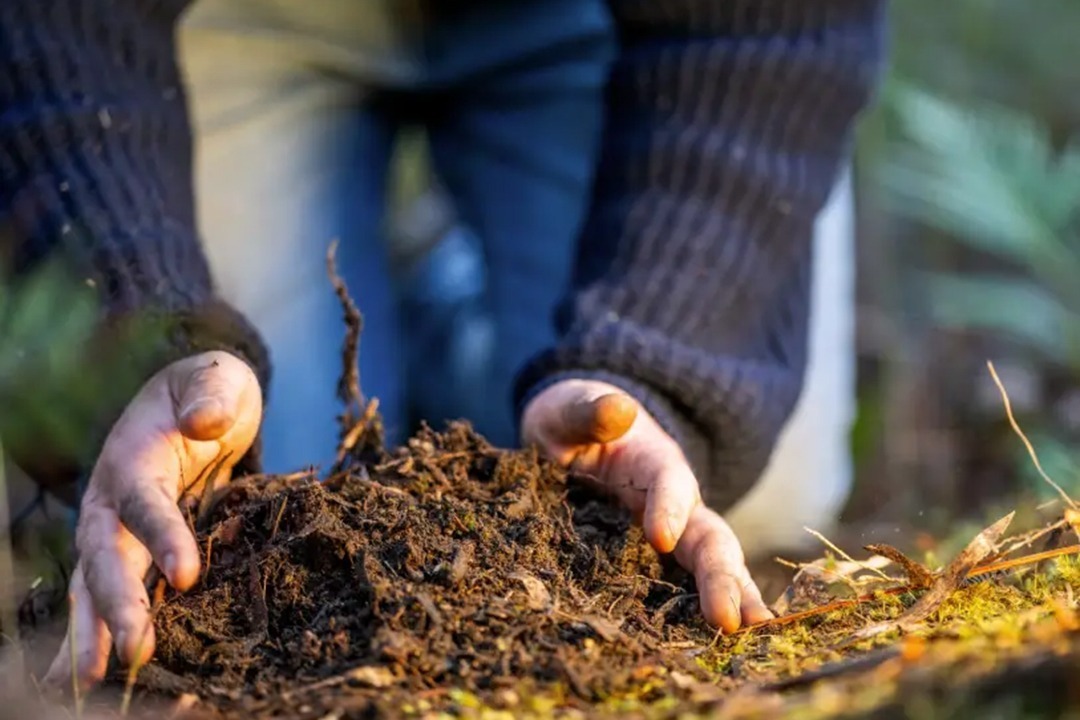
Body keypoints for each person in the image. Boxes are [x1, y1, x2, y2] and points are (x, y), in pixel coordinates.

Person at [0, 0, 886, 689]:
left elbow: (767, 35)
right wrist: (149, 324)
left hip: (598, 17)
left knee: (738, 495)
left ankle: (447, 310)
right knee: (236, 514)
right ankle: (429, 306)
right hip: (230, 21)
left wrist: (653, 366)